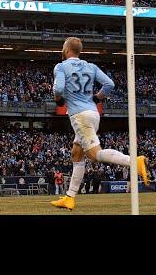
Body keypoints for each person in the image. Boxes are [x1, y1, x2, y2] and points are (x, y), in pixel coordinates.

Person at [51, 36, 149, 211]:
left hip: (79, 116)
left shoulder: (61, 66)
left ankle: (134, 161)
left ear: (66, 50)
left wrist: (59, 100)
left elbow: (58, 89)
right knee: (76, 153)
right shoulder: (90, 66)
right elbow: (109, 84)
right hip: (93, 113)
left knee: (95, 155)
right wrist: (97, 98)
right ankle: (69, 197)